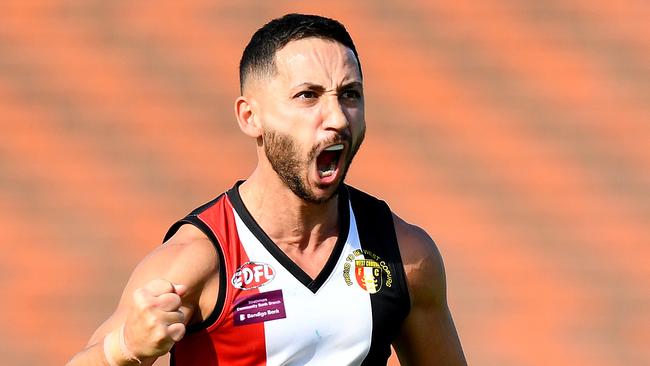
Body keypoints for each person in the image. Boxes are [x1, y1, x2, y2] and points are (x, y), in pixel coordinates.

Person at [67, 13, 467, 366]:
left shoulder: (404, 254)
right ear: (250, 117)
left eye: (350, 95)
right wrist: (122, 349)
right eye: (308, 96)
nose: (337, 118)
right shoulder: (197, 261)